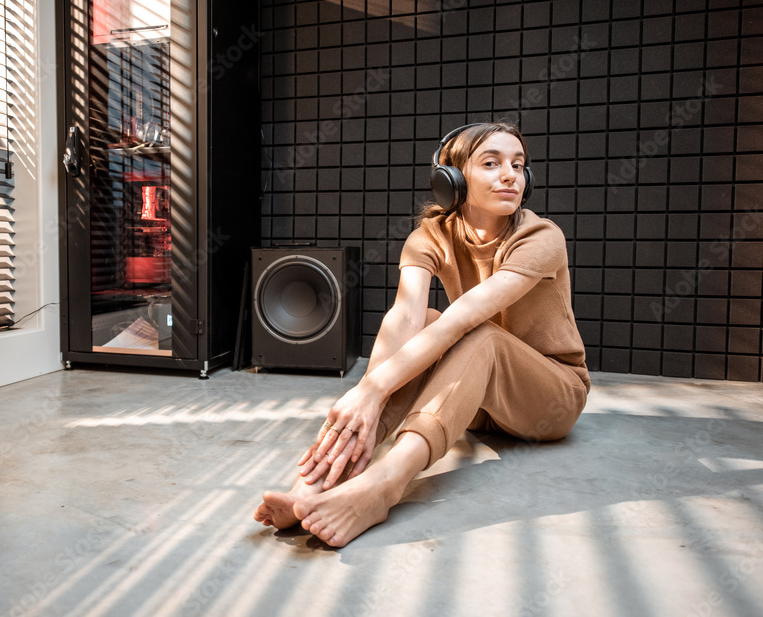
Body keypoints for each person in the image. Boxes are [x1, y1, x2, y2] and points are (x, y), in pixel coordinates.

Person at [253, 122, 591, 547]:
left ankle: (386, 485)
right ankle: (317, 481)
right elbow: (405, 319)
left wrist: (374, 388)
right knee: (428, 319)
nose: (510, 175)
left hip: (551, 396)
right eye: (491, 163)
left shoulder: (541, 237)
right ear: (450, 180)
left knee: (471, 331)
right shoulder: (431, 235)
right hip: (480, 401)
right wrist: (368, 402)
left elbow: (462, 320)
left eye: (518, 165)